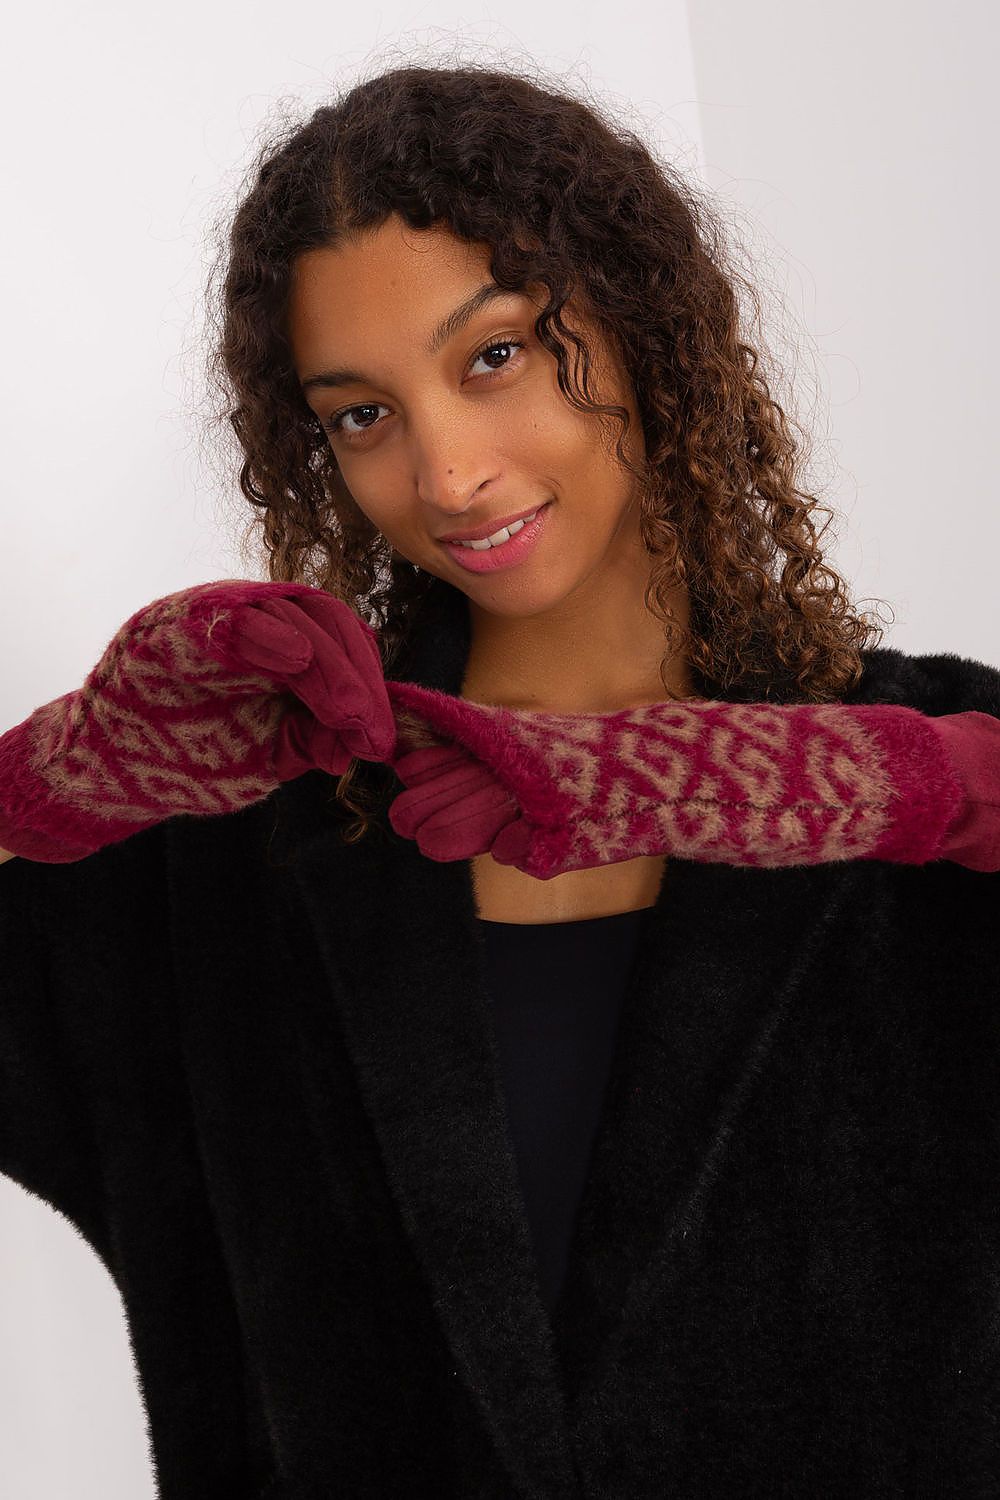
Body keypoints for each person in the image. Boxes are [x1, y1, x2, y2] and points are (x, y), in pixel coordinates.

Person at [1, 62, 999, 1499]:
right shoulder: (248, 834)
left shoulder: (913, 773)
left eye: (494, 356)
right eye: (361, 414)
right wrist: (51, 782)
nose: (448, 474)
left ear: (641, 322)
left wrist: (861, 783)